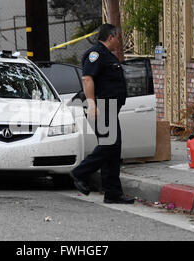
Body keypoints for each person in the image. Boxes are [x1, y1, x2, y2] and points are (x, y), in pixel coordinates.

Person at [69, 24, 135, 204]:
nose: (119, 42)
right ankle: (80, 172)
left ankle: (112, 193)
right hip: (102, 107)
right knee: (109, 146)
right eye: (118, 38)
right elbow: (87, 78)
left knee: (112, 150)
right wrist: (91, 103)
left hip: (110, 108)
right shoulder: (95, 54)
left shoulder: (108, 56)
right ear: (111, 37)